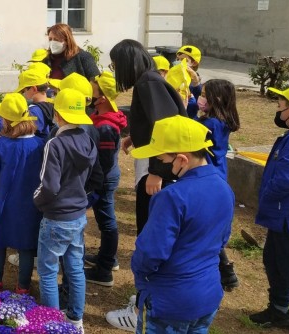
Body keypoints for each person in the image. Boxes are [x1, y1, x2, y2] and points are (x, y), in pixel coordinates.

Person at [106, 39, 187, 332]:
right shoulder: (150, 80)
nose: (115, 70)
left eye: (115, 64)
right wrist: (134, 138)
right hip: (162, 170)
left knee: (152, 238)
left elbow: (167, 128)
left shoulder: (147, 83)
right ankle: (148, 300)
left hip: (160, 176)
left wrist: (157, 171)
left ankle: (145, 307)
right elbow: (153, 124)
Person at [129, 115, 234, 334]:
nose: (159, 165)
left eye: (163, 160)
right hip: (207, 294)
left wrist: (142, 281)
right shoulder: (224, 188)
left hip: (170, 301)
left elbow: (150, 253)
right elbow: (223, 238)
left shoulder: (171, 197)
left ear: (182, 159)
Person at [34, 88, 97, 331]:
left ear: (58, 114)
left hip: (56, 216)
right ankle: (75, 320)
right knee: (75, 269)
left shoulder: (55, 144)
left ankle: (51, 324)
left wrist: (37, 200)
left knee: (48, 271)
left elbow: (48, 186)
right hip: (78, 215)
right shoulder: (87, 140)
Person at [249, 84, 289, 333]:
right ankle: (280, 309)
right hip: (287, 216)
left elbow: (288, 179)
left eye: (280, 105)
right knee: (273, 260)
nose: (278, 109)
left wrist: (268, 195)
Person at [0, 93, 45, 295]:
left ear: (6, 120)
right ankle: (23, 286)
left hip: (4, 200)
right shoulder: (40, 145)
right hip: (31, 202)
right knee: (26, 244)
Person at [196, 79, 242, 291]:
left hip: (208, 176)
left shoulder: (210, 124)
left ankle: (225, 270)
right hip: (219, 174)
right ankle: (226, 270)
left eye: (205, 94)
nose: (201, 98)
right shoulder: (223, 120)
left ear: (218, 98)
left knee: (207, 227)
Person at [84, 71, 127, 287]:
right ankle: (106, 257)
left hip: (104, 179)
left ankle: (105, 270)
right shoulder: (102, 119)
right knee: (104, 221)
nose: (89, 93)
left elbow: (106, 161)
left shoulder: (106, 127)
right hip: (103, 176)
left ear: (102, 99)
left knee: (107, 222)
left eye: (93, 89)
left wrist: (95, 186)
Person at [175, 45, 203, 118]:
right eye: (178, 59)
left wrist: (196, 84)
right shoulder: (174, 75)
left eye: (184, 60)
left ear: (194, 63)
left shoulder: (194, 82)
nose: (179, 62)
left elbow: (198, 101)